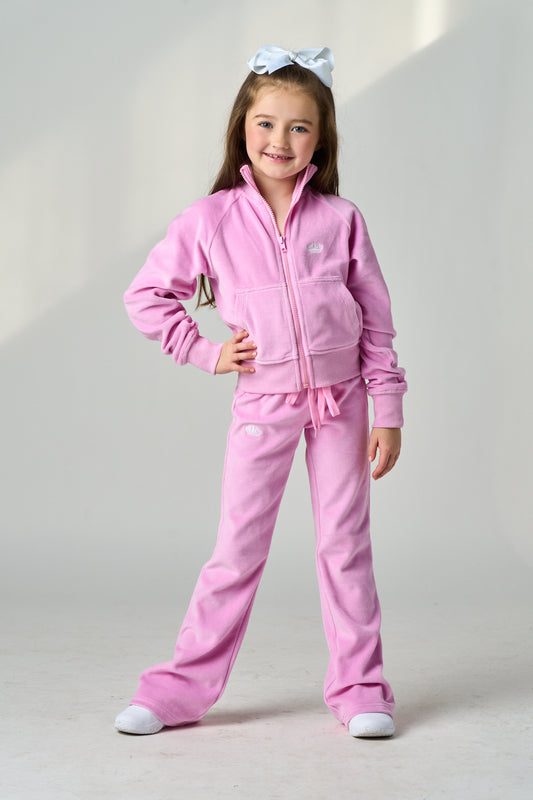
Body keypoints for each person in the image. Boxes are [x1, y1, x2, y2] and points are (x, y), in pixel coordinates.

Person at [115, 45, 407, 739]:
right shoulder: (210, 218)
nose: (281, 140)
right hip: (263, 403)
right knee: (237, 550)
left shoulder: (341, 219)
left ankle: (361, 689)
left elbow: (376, 323)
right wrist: (205, 351)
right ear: (242, 128)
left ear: (321, 139)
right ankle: (178, 690)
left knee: (345, 546)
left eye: (299, 127)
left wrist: (388, 409)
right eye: (266, 124)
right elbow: (146, 295)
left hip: (342, 402)